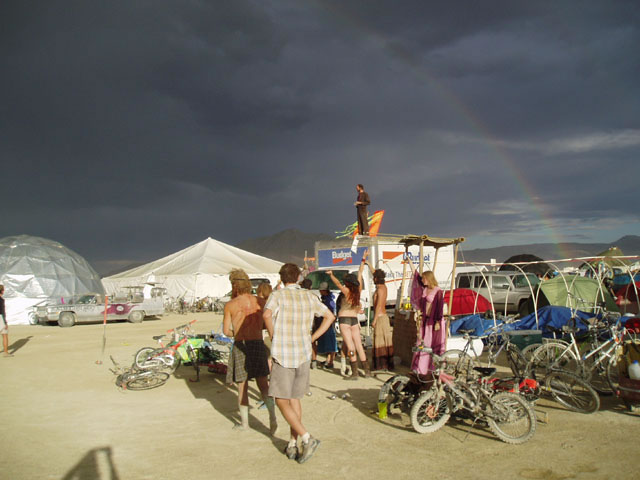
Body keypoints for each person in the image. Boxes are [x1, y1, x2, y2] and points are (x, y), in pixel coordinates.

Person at [263, 263, 335, 464]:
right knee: (295, 399)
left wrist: (273, 334)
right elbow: (329, 316)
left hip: (283, 353)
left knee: (280, 399)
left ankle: (306, 437)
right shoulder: (309, 296)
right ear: (298, 277)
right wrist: (312, 338)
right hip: (303, 353)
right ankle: (292, 443)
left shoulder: (278, 295)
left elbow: (267, 314)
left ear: (282, 278)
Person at [223, 269, 277, 434]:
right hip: (258, 343)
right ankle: (273, 418)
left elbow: (226, 331)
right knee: (263, 384)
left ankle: (245, 424)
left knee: (242, 386)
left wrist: (238, 333)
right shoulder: (260, 302)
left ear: (234, 285)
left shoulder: (230, 305)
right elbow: (266, 324)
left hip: (241, 345)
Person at [327, 259, 370, 380]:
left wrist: (331, 275)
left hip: (344, 319)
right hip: (354, 320)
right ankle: (367, 371)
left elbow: (337, 284)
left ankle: (355, 372)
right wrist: (363, 261)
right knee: (359, 346)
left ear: (348, 283)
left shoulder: (346, 291)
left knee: (350, 347)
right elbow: (360, 274)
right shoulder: (358, 292)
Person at [407, 260, 446, 375]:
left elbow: (439, 306)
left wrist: (437, 321)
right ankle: (420, 368)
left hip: (434, 321)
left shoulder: (437, 291)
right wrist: (410, 262)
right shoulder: (424, 289)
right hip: (425, 320)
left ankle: (431, 368)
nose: (423, 280)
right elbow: (416, 276)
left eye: (424, 278)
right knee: (422, 343)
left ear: (429, 279)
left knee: (431, 344)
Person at [362, 253, 393, 371]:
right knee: (384, 341)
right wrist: (368, 262)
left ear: (376, 279)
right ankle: (385, 364)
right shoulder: (383, 287)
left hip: (380, 317)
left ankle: (381, 365)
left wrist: (374, 320)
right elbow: (375, 272)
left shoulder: (380, 289)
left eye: (374, 278)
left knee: (380, 341)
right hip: (383, 317)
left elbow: (379, 306)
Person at [313, 282, 338, 370]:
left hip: (328, 324)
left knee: (330, 342)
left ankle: (330, 361)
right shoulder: (324, 299)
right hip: (323, 323)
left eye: (321, 290)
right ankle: (328, 359)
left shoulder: (329, 300)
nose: (320, 291)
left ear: (324, 290)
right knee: (327, 343)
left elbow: (331, 312)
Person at [0, 285, 12, 357]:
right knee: (4, 335)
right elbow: (2, 311)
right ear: (2, 291)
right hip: (0, 317)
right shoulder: (1, 300)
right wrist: (5, 322)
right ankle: (6, 352)